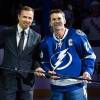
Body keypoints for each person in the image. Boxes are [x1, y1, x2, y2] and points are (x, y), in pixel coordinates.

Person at [40, 9, 96, 100]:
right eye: (53, 19)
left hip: (76, 85)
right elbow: (44, 62)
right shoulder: (45, 41)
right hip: (56, 87)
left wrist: (87, 71)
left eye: (59, 18)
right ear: (50, 22)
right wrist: (48, 71)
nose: (57, 21)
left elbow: (89, 56)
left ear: (65, 20)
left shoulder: (77, 35)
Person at [0, 6, 45, 100]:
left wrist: (38, 67)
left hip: (27, 81)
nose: (27, 20)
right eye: (25, 17)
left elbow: (36, 57)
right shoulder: (6, 32)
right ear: (19, 16)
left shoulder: (37, 37)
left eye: (30, 18)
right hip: (7, 79)